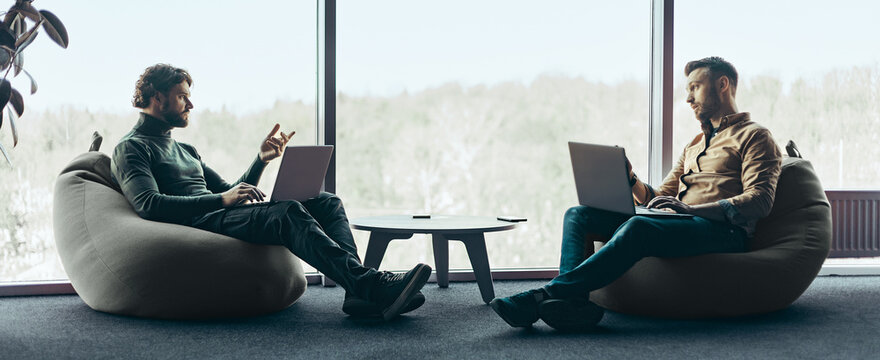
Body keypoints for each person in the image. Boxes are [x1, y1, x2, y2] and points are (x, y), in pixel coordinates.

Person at [111, 64, 430, 320]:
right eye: (182, 96)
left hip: (218, 213)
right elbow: (148, 205)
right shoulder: (131, 148)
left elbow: (229, 190)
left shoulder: (185, 149)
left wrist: (261, 160)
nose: (190, 104)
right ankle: (369, 285)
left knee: (327, 201)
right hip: (197, 222)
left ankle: (358, 295)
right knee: (287, 212)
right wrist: (221, 200)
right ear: (156, 97)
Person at [490, 56, 782, 331]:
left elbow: (761, 200)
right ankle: (574, 303)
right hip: (679, 222)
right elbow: (658, 196)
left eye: (695, 87)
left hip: (723, 231)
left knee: (639, 226)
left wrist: (692, 210)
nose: (688, 98)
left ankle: (545, 296)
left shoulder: (755, 135)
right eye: (687, 90)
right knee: (578, 214)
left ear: (722, 85)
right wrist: (629, 180)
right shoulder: (693, 144)